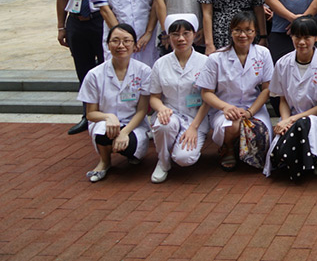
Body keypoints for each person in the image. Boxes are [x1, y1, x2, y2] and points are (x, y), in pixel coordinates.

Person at [54, 0, 115, 135]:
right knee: (83, 70)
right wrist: (61, 26)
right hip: (76, 23)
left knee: (107, 68)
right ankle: (87, 115)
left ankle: (108, 113)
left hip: (101, 20)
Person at [197, 11, 274, 171]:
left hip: (254, 108)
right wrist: (226, 107)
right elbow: (206, 93)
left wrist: (250, 112)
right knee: (233, 126)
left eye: (248, 30)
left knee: (263, 137)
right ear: (231, 31)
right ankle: (228, 147)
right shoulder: (216, 58)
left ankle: (240, 147)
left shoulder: (263, 53)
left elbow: (267, 89)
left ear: (255, 32)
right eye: (238, 30)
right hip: (225, 109)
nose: (243, 35)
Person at [77, 24, 152, 183]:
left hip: (133, 124)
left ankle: (130, 152)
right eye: (115, 41)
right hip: (106, 123)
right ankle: (104, 161)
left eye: (126, 41)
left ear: (134, 44)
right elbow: (90, 113)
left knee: (130, 147)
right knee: (103, 132)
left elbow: (142, 110)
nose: (121, 45)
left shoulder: (144, 71)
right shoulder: (95, 75)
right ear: (108, 44)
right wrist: (108, 117)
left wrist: (124, 133)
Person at [265, 16, 317, 179]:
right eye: (297, 37)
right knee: (277, 154)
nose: (301, 42)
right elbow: (282, 99)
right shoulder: (283, 63)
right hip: (292, 117)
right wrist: (285, 120)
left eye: (307, 37)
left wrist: (291, 120)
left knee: (307, 124)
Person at [148, 14, 211, 183]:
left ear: (194, 35)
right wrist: (162, 109)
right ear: (169, 37)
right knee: (163, 125)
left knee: (184, 158)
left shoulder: (205, 62)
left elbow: (208, 99)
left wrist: (193, 128)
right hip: (171, 113)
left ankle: (177, 148)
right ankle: (163, 161)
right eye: (175, 34)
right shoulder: (160, 64)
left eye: (186, 33)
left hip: (195, 116)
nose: (181, 39)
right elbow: (154, 97)